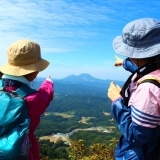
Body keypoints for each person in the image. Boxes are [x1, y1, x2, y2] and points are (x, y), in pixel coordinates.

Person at [107, 18, 160, 160]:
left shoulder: (147, 89)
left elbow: (138, 136)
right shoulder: (155, 69)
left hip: (141, 154)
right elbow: (142, 68)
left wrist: (116, 101)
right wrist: (123, 63)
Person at [0, 39, 54, 160]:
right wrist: (48, 82)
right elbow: (46, 95)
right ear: (32, 71)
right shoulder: (33, 99)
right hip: (20, 153)